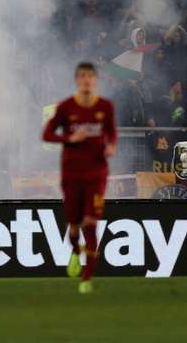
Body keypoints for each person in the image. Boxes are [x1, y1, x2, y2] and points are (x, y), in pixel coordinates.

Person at [42, 62, 116, 294]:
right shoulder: (65, 107)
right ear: (77, 79)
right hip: (72, 175)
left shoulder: (105, 106)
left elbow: (112, 131)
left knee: (90, 224)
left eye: (90, 76)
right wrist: (70, 139)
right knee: (74, 228)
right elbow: (47, 134)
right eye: (82, 76)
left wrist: (111, 145)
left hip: (96, 174)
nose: (86, 80)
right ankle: (75, 252)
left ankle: (87, 279)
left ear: (95, 80)